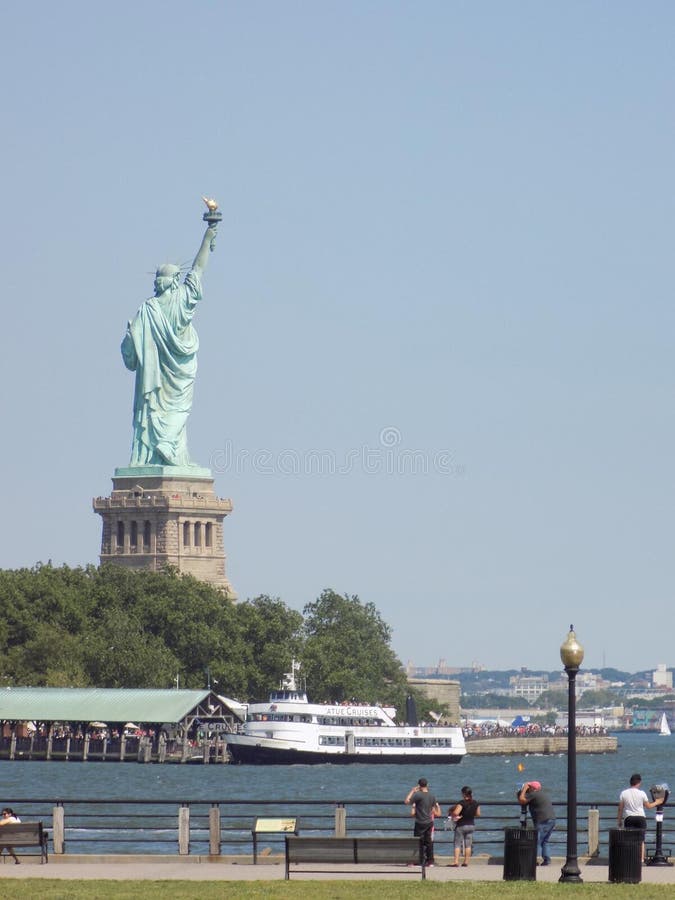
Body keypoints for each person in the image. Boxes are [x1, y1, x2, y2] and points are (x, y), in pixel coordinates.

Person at [121, 213, 219, 468]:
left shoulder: (147, 309)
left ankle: (162, 449)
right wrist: (208, 236)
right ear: (175, 281)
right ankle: (167, 445)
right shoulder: (181, 301)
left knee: (155, 409)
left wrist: (131, 337)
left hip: (154, 379)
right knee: (179, 409)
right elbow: (198, 269)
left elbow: (130, 356)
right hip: (180, 371)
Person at [617, 773, 664, 862]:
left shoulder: (623, 793)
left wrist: (619, 821)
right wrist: (658, 802)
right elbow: (648, 806)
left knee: (629, 839)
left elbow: (620, 809)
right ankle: (641, 859)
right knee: (641, 840)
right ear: (639, 783)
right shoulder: (642, 793)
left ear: (630, 782)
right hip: (640, 818)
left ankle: (630, 858)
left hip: (629, 818)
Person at [405, 777, 441, 867]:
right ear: (427, 785)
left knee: (418, 841)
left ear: (419, 785)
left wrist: (412, 791)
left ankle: (419, 860)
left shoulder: (418, 795)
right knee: (428, 842)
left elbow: (407, 801)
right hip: (429, 821)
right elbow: (433, 808)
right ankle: (430, 861)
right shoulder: (432, 796)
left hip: (420, 821)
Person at [518, 780, 556, 866]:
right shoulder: (541, 794)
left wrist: (524, 789)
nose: (529, 788)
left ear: (532, 788)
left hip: (543, 820)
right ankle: (547, 860)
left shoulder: (534, 794)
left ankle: (532, 861)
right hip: (551, 819)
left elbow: (521, 800)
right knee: (545, 841)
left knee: (536, 841)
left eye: (529, 787)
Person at [449, 785, 481, 867]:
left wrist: (452, 814)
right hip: (471, 825)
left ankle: (456, 862)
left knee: (457, 843)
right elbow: (478, 814)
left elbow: (456, 813)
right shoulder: (475, 803)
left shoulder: (462, 803)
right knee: (468, 844)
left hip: (461, 825)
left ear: (463, 794)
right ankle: (466, 862)